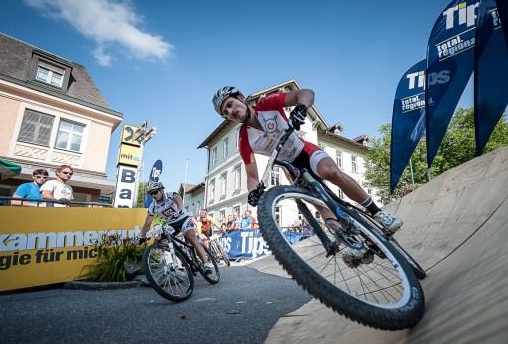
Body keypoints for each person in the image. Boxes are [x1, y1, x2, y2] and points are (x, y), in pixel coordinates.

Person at [212, 86, 403, 232]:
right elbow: (252, 177)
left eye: (230, 105)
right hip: (291, 168)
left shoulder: (267, 104)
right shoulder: (244, 141)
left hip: (304, 151)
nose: (231, 112)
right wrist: (252, 193)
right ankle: (347, 240)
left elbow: (306, 93)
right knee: (319, 205)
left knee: (331, 172)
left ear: (241, 98)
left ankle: (377, 213)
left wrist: (301, 107)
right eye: (226, 113)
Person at [136, 182, 213, 273]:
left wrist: (180, 209)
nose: (153, 195)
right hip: (171, 224)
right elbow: (147, 224)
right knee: (158, 240)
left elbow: (178, 199)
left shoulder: (171, 195)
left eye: (155, 192)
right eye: (151, 194)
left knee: (191, 238)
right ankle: (180, 257)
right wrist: (141, 237)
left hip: (183, 219)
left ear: (161, 190)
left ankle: (206, 264)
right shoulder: (153, 206)